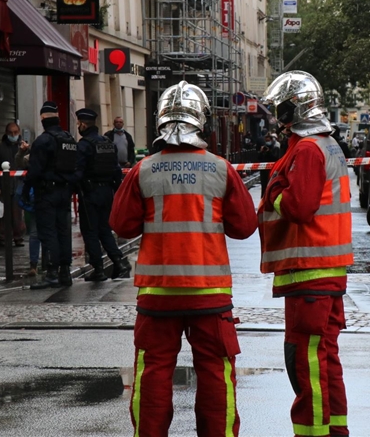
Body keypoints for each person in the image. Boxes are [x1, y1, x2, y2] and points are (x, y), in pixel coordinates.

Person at [110, 81, 257, 437]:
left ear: (161, 120)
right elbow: (244, 227)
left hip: (158, 295)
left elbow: (121, 225)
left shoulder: (143, 170)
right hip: (209, 293)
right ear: (201, 120)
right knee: (216, 373)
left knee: (153, 373)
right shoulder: (221, 169)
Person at [257, 71, 353, 437]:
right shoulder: (325, 144)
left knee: (305, 361)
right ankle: (335, 430)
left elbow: (298, 207)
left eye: (280, 108)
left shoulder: (308, 149)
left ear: (293, 108)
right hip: (325, 270)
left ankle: (312, 433)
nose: (277, 117)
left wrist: (273, 192)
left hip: (309, 271)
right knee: (324, 359)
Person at [26, 101, 79, 289]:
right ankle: (65, 272)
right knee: (63, 232)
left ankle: (51, 273)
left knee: (48, 233)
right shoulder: (69, 139)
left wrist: (25, 192)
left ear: (42, 120)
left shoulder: (43, 141)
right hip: (65, 192)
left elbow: (34, 171)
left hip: (47, 192)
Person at [75, 108, 128, 282]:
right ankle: (119, 262)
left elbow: (78, 172)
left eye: (78, 123)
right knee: (105, 230)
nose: (78, 126)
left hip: (90, 193)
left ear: (83, 124)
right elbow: (116, 171)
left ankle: (98, 269)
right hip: (107, 192)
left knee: (90, 230)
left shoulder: (84, 145)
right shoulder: (107, 143)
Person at [0, 122, 27, 246]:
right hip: (5, 185)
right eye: (11, 133)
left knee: (17, 214)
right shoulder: (0, 148)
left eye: (15, 132)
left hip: (19, 185)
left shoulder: (24, 147)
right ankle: (4, 237)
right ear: (6, 134)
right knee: (4, 214)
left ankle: (18, 237)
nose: (13, 135)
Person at [14, 146, 47, 277]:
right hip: (40, 200)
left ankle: (42, 264)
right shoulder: (32, 159)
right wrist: (22, 152)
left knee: (36, 233)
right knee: (37, 233)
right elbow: (20, 162)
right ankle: (38, 265)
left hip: (41, 200)